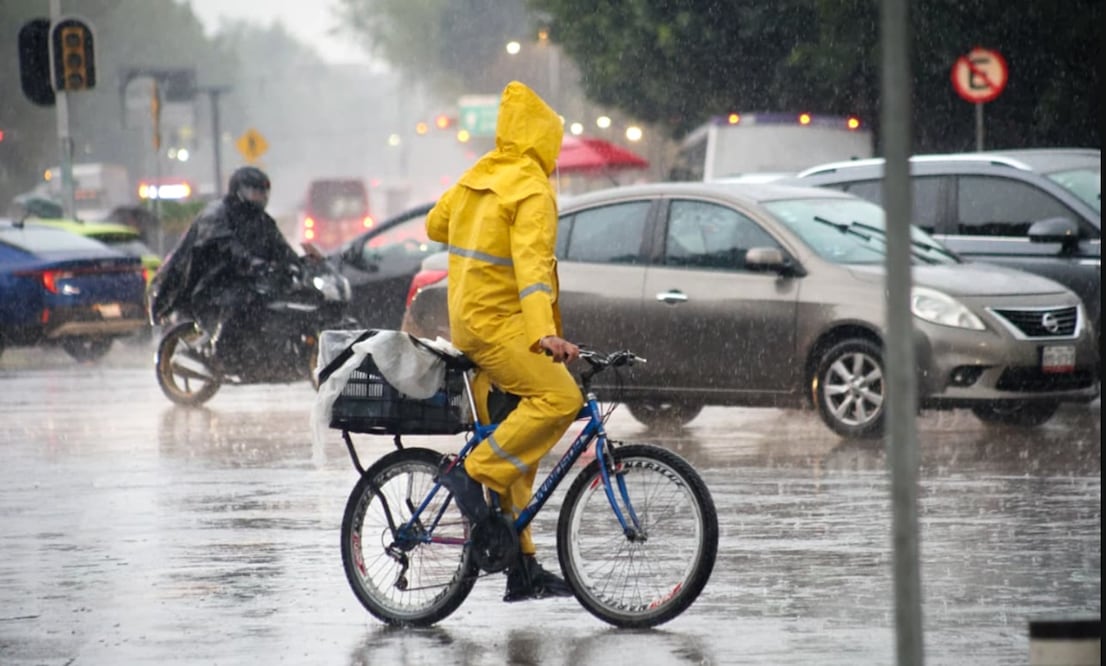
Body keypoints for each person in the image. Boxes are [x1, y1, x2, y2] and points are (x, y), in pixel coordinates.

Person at [426, 81, 582, 602]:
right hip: (500, 324)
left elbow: (434, 224)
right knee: (561, 398)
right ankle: (476, 471)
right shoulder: (531, 189)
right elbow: (534, 272)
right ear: (544, 140)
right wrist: (545, 335)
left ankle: (523, 566)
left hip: (467, 321)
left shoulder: (480, 175)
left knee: (522, 439)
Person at [149, 166, 303, 374]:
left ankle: (266, 354)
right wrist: (251, 262)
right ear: (239, 191)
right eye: (254, 192)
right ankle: (223, 355)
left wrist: (301, 264)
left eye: (263, 193)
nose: (259, 197)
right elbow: (226, 245)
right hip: (211, 282)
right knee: (241, 303)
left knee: (276, 300)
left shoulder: (261, 220)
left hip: (244, 279)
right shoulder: (218, 213)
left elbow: (280, 247)